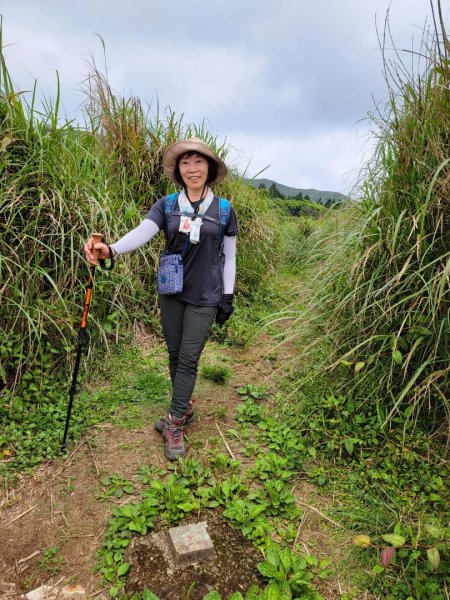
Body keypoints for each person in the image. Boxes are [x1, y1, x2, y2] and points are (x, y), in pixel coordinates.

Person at [84, 137, 237, 460]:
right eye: (185, 163)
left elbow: (230, 256)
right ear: (178, 170)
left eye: (198, 162)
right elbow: (143, 232)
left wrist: (227, 295)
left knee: (189, 358)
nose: (192, 169)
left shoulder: (223, 210)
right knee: (174, 352)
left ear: (209, 168)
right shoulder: (167, 205)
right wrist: (110, 249)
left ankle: (175, 421)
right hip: (171, 289)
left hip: (205, 295)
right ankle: (184, 404)